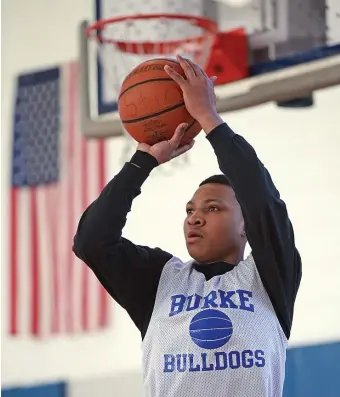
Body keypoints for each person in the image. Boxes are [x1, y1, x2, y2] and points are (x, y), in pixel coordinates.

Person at [73, 55, 302, 397]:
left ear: (246, 226)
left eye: (213, 208)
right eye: (190, 209)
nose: (195, 217)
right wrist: (143, 160)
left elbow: (262, 200)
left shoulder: (269, 277)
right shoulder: (159, 280)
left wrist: (209, 119)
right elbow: (91, 241)